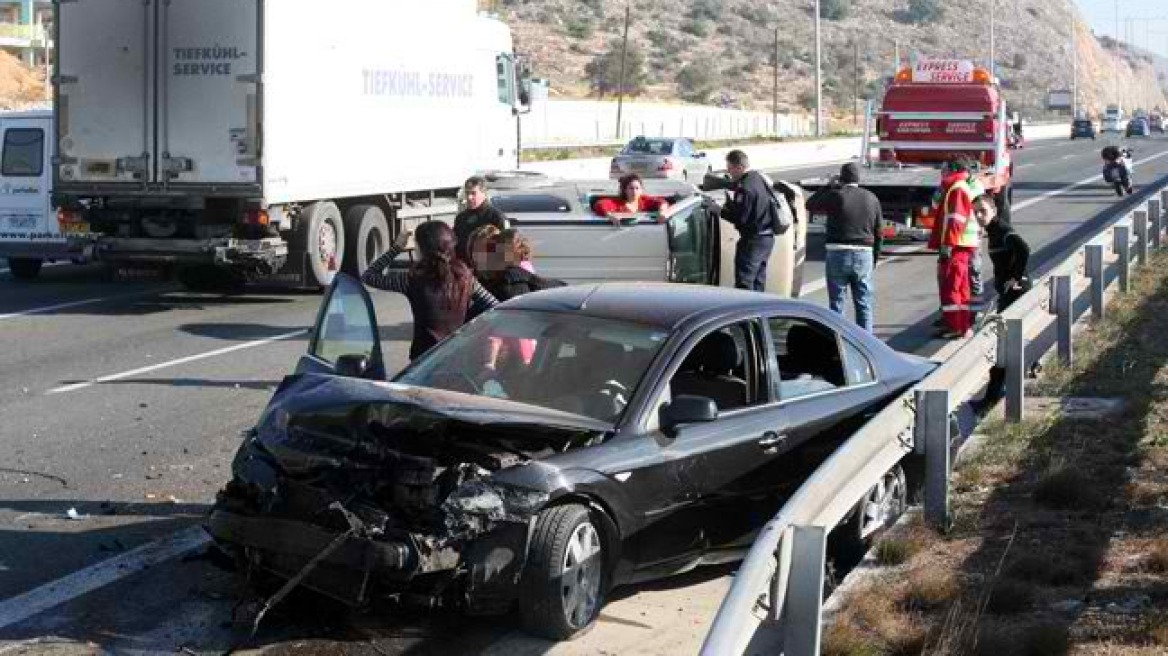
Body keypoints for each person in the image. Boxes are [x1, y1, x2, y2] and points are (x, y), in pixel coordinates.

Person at [362, 221, 498, 360]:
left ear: (423, 248)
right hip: (457, 356)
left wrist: (397, 247)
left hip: (423, 359)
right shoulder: (466, 278)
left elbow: (369, 276)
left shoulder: (412, 279)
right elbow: (495, 306)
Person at [972, 190, 1032, 413]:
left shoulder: (1003, 230)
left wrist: (1016, 277)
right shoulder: (993, 231)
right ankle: (1029, 366)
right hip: (1009, 293)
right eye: (975, 212)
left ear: (994, 211)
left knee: (1002, 349)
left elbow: (1024, 249)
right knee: (1006, 346)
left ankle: (990, 399)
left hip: (1016, 292)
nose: (979, 216)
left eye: (983, 211)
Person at [806, 162, 882, 333]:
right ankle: (866, 343)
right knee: (864, 304)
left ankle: (838, 343)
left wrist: (827, 186)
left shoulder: (835, 195)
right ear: (858, 178)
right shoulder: (872, 198)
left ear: (841, 178)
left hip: (837, 253)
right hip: (864, 254)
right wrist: (874, 258)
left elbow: (810, 204)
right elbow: (879, 232)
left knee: (837, 304)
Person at [928, 157, 981, 339]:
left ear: (953, 169)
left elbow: (955, 220)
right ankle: (961, 325)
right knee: (960, 287)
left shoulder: (957, 188)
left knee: (951, 287)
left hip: (957, 245)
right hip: (962, 245)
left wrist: (948, 245)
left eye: (945, 169)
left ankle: (955, 327)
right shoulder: (958, 186)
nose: (942, 173)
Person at [720, 150, 779, 292]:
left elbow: (741, 219)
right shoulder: (758, 178)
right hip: (767, 238)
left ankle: (746, 314)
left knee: (744, 283)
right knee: (758, 281)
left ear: (739, 167)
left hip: (753, 241)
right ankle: (758, 313)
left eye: (730, 168)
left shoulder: (745, 188)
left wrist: (720, 211)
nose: (729, 172)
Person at [453, 176, 509, 262]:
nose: (469, 197)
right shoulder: (461, 218)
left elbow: (506, 247)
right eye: (467, 193)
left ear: (484, 194)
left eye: (473, 193)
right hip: (465, 269)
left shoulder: (496, 217)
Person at [592, 174, 672, 225]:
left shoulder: (644, 200)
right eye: (631, 188)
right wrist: (610, 216)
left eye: (637, 188)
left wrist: (662, 211)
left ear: (641, 189)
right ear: (624, 190)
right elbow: (600, 204)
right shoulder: (618, 202)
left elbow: (661, 202)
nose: (634, 191)